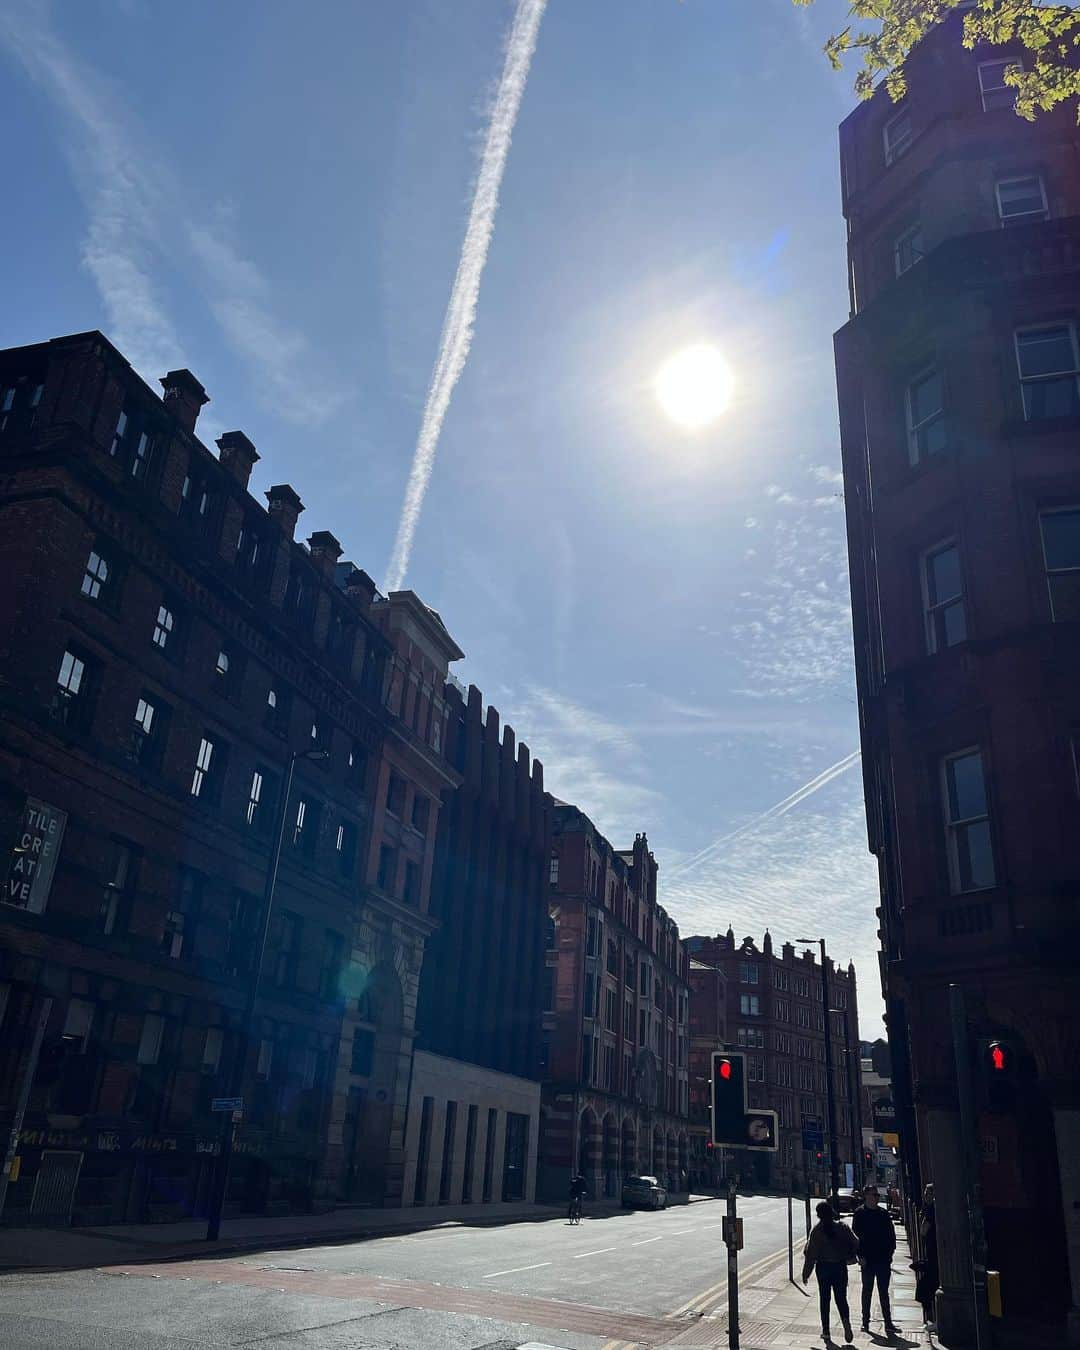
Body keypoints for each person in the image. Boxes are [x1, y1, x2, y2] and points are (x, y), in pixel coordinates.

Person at [802, 1200, 859, 1344]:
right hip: (839, 1267)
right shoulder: (842, 1227)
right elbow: (856, 1242)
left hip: (823, 1268)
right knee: (841, 1298)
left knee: (824, 1299)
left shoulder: (816, 1230)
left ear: (819, 1215)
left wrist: (806, 1273)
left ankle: (826, 1331)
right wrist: (849, 1255)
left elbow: (811, 1254)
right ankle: (846, 1322)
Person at [853, 1184, 898, 1333]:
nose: (876, 1198)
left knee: (884, 1292)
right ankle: (865, 1322)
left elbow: (891, 1236)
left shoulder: (883, 1214)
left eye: (877, 1195)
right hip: (867, 1260)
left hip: (883, 1260)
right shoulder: (859, 1214)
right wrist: (859, 1256)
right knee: (867, 1291)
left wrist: (890, 1255)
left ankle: (888, 1322)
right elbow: (855, 1238)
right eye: (874, 1195)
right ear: (866, 1196)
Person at [915, 1183, 939, 1329]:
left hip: (935, 1252)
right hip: (933, 1251)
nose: (925, 1195)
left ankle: (934, 1319)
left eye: (928, 1193)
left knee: (928, 1285)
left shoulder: (931, 1209)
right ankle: (932, 1319)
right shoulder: (930, 1208)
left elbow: (923, 1230)